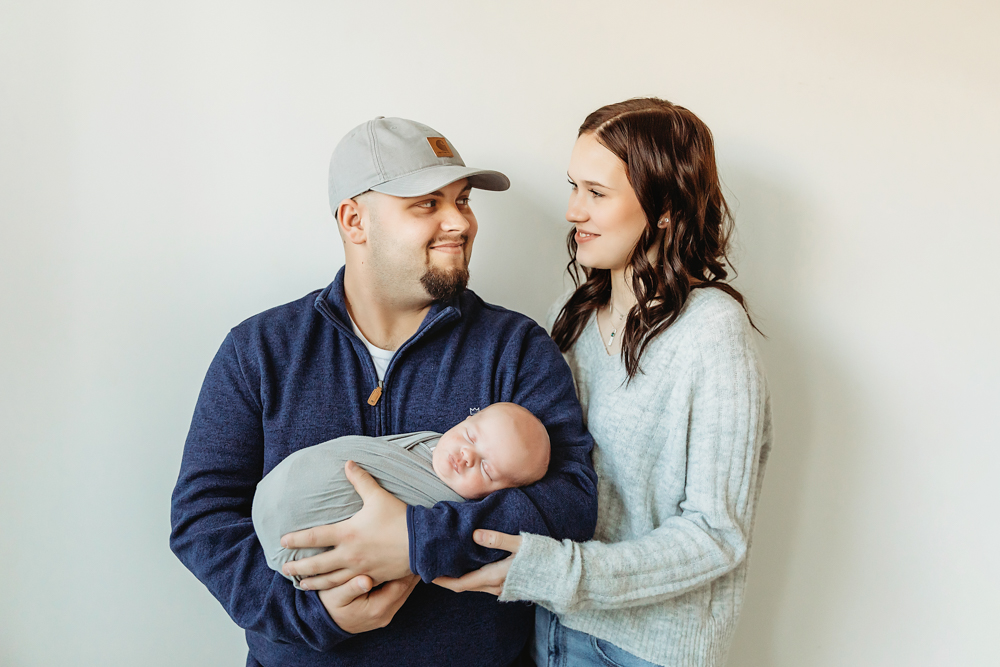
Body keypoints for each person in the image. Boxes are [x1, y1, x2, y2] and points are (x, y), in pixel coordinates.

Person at [169, 116, 598, 667]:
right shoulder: (261, 350)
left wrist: (419, 540)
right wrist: (316, 617)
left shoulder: (515, 347)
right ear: (355, 221)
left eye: (463, 201)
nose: (459, 223)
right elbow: (203, 518)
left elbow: (570, 503)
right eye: (427, 204)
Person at [436, 98, 773, 667]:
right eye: (574, 186)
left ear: (664, 207)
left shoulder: (712, 330)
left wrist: (557, 571)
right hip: (544, 628)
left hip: (643, 649)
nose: (572, 211)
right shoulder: (568, 317)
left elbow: (718, 534)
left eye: (596, 193)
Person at [252, 402, 551, 588]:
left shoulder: (454, 508)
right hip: (278, 495)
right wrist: (314, 619)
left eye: (486, 469)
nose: (467, 455)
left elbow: (561, 509)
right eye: (470, 436)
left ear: (500, 496)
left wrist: (419, 538)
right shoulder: (429, 444)